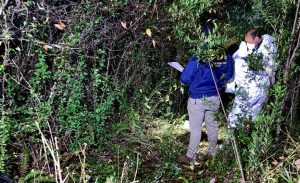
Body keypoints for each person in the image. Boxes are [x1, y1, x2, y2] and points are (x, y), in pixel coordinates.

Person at [177, 47, 234, 164]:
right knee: (212, 124)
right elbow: (228, 76)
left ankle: (190, 156)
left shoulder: (200, 53)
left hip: (198, 96)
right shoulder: (224, 53)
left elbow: (185, 78)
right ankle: (213, 152)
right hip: (215, 95)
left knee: (196, 128)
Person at [227, 41, 270, 127]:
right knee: (253, 117)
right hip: (262, 90)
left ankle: (233, 138)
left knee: (235, 118)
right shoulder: (253, 57)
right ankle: (250, 135)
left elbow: (230, 87)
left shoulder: (235, 60)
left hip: (247, 92)